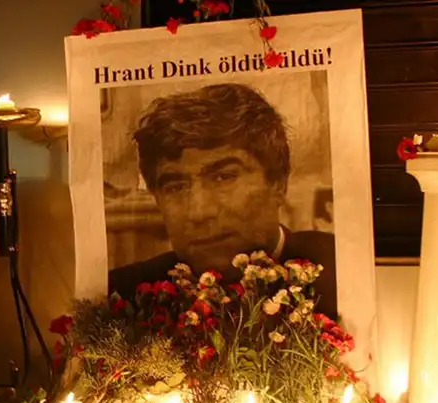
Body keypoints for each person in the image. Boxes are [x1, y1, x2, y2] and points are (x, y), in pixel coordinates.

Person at [108, 83, 339, 317]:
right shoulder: (122, 298)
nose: (199, 212)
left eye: (223, 177)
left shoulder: (343, 269)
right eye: (176, 187)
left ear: (278, 182)